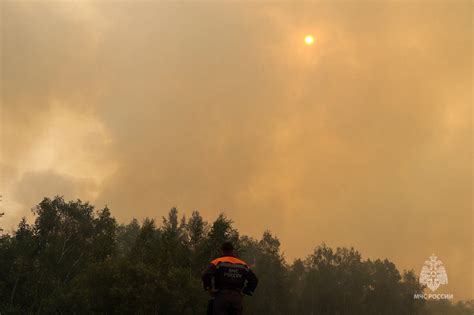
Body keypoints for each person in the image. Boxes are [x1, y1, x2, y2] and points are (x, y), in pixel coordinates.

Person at [202, 241, 258, 315]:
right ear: (233, 251)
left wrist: (209, 288)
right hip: (236, 299)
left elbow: (205, 275)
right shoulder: (243, 264)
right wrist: (245, 291)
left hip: (221, 297)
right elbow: (254, 280)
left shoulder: (217, 262)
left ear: (221, 251)